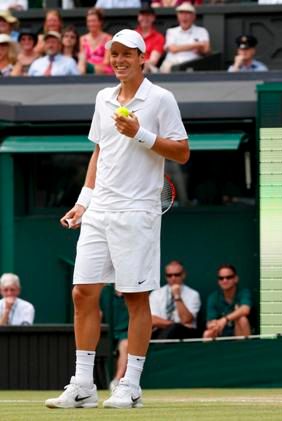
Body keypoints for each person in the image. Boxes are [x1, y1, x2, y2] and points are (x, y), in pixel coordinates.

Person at [45, 28, 190, 409]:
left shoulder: (161, 99)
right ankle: (83, 385)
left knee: (135, 297)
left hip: (137, 212)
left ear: (143, 57)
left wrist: (141, 134)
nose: (119, 60)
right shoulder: (102, 98)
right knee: (82, 293)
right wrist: (83, 202)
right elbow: (99, 153)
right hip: (100, 211)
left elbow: (182, 152)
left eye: (127, 54)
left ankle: (131, 385)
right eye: (114, 54)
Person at [149, 260, 201, 339]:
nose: (173, 278)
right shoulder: (156, 294)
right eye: (169, 275)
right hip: (160, 332)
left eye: (177, 275)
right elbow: (153, 320)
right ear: (166, 276)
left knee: (176, 328)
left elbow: (186, 320)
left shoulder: (193, 294)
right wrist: (173, 324)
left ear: (183, 275)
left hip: (185, 333)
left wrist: (177, 297)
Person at [202, 264, 252, 339]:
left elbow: (245, 309)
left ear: (236, 279)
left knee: (242, 319)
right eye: (221, 278)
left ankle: (245, 349)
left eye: (229, 277)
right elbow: (209, 322)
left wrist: (225, 319)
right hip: (222, 333)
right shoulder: (213, 297)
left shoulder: (243, 292)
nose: (225, 280)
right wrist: (213, 324)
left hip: (240, 333)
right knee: (207, 333)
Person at [160, 2, 211, 73]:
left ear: (193, 16)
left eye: (187, 13)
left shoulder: (201, 31)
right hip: (171, 64)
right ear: (178, 16)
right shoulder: (171, 31)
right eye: (181, 13)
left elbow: (206, 49)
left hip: (191, 65)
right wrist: (196, 44)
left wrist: (200, 50)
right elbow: (173, 49)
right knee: (165, 67)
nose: (184, 16)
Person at [80, 8, 112, 75]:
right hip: (85, 70)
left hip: (103, 70)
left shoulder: (108, 38)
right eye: (89, 21)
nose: (91, 24)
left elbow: (107, 61)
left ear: (100, 22)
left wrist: (92, 67)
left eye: (94, 21)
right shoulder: (82, 39)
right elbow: (82, 59)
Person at [135, 6, 165, 73]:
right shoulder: (131, 35)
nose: (145, 18)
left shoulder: (158, 37)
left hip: (148, 69)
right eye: (143, 15)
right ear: (138, 17)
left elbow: (153, 61)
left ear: (153, 18)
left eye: (148, 16)